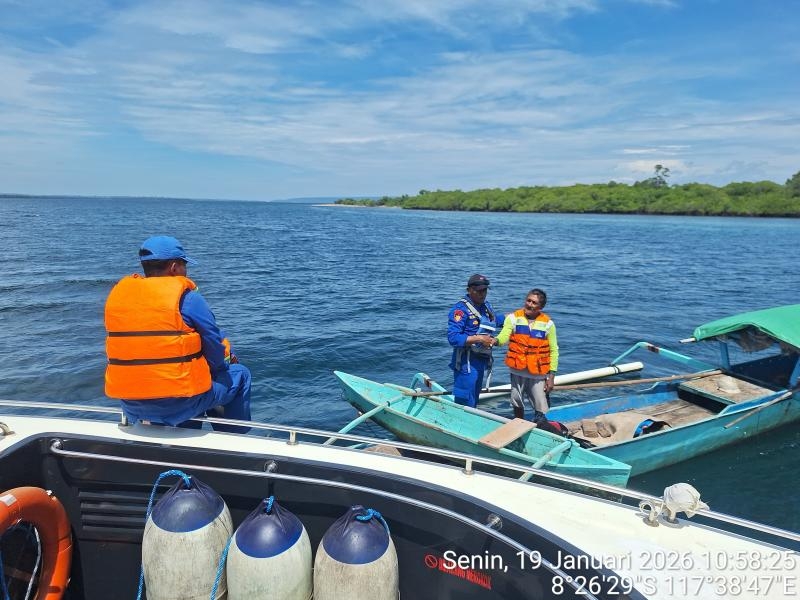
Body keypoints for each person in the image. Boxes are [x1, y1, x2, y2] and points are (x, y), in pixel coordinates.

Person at [104, 235, 252, 433]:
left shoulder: (120, 298)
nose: (186, 271)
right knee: (240, 374)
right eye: (184, 265)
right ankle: (232, 440)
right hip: (179, 403)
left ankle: (184, 431)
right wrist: (220, 366)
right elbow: (215, 348)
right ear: (174, 267)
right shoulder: (188, 299)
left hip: (131, 405)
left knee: (186, 381)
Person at [496, 288, 558, 423]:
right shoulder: (513, 318)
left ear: (540, 307)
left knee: (540, 406)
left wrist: (551, 377)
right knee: (517, 402)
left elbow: (554, 350)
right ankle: (518, 424)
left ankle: (541, 426)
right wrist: (494, 341)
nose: (529, 304)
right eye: (528, 300)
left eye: (534, 303)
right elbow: (503, 336)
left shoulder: (548, 324)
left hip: (538, 373)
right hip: (517, 370)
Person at [447, 274, 499, 407]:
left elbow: (493, 321)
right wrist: (480, 338)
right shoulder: (460, 310)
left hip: (481, 360)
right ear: (469, 290)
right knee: (464, 401)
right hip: (466, 362)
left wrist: (515, 317)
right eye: (479, 291)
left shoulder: (485, 306)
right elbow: (453, 337)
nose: (483, 294)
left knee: (474, 398)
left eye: (485, 291)